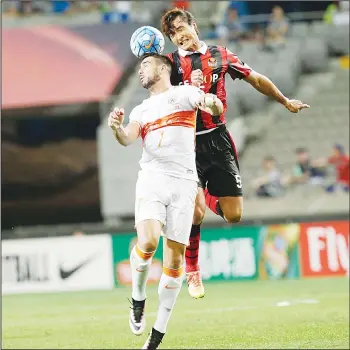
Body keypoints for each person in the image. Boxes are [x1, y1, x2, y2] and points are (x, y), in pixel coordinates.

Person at [160, 7, 310, 299]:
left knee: (234, 215)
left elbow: (255, 78)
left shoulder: (220, 55)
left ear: (194, 25)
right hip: (186, 145)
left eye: (182, 28)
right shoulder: (169, 65)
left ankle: (206, 195)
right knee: (196, 211)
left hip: (218, 140)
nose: (179, 35)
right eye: (173, 33)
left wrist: (284, 100)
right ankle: (192, 271)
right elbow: (155, 92)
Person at [108, 53, 224, 349]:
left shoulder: (184, 94)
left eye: (145, 65)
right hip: (152, 180)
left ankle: (157, 334)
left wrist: (211, 102)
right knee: (147, 243)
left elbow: (213, 104)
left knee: (174, 264)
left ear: (162, 68)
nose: (140, 71)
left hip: (184, 184)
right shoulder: (141, 109)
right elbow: (127, 138)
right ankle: (137, 297)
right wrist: (116, 129)